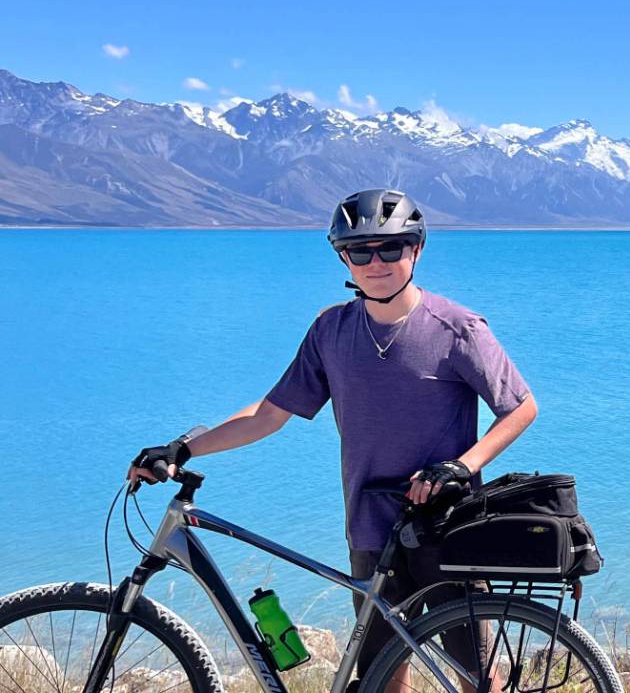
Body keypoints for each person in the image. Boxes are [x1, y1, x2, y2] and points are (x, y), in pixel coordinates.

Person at [127, 188, 539, 690]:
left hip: (446, 526)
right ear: (344, 256)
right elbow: (268, 413)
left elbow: (520, 407)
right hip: (369, 526)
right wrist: (186, 448)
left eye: (391, 248)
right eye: (360, 251)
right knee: (381, 674)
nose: (376, 262)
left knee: (476, 675)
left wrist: (461, 467)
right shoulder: (331, 331)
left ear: (417, 250)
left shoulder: (457, 329)